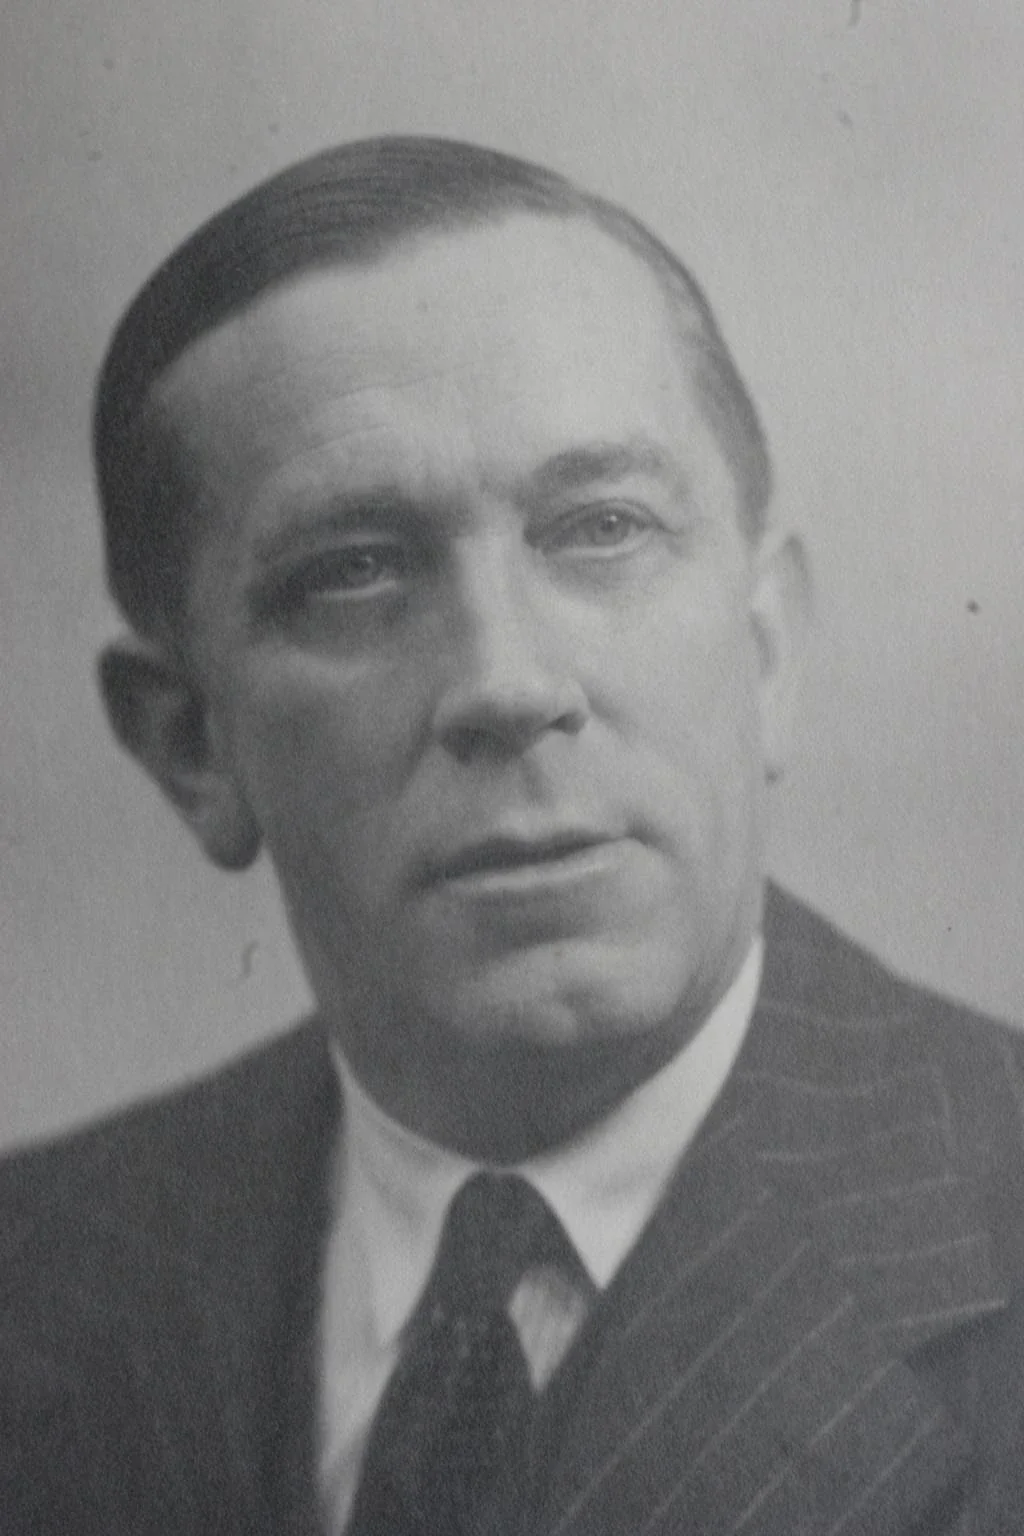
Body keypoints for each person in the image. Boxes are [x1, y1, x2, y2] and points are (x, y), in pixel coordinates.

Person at [2, 136, 1023, 1536]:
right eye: (354, 571)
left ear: (767, 649)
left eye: (602, 527)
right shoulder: (36, 1277)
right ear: (189, 744)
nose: (508, 681)